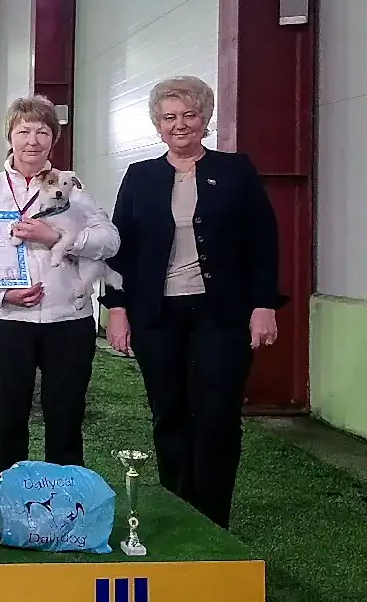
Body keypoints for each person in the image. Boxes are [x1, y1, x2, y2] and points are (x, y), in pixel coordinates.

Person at [101, 75, 286, 530]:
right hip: (157, 316)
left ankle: (214, 520)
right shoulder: (140, 176)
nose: (179, 124)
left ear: (205, 118)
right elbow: (120, 249)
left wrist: (264, 305)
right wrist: (117, 309)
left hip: (222, 315)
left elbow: (263, 242)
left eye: (189, 115)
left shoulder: (237, 171)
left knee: (217, 416)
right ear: (157, 124)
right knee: (169, 413)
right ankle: (179, 512)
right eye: (169, 117)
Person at [0, 95, 120, 483]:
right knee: (7, 416)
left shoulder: (72, 188)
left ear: (53, 139)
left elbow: (110, 241)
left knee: (66, 417)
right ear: (9, 136)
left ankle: (66, 502)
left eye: (43, 132)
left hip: (68, 321)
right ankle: (6, 500)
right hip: (5, 319)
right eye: (24, 131)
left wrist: (58, 238)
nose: (32, 141)